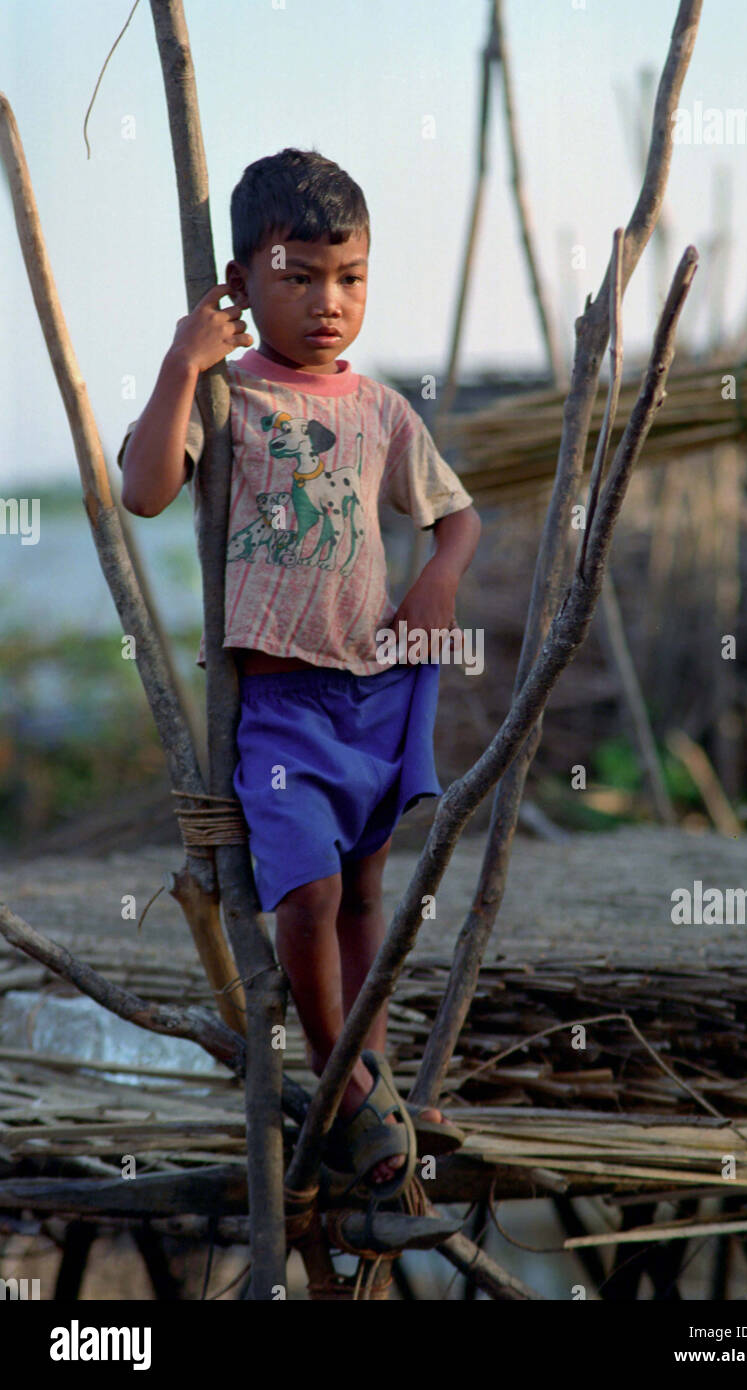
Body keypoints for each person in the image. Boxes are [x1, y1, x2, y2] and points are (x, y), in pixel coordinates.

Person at [118, 148, 481, 1202]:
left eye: (350, 277)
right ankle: (339, 1081)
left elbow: (455, 519)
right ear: (240, 282)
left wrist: (436, 583)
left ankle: (373, 1079)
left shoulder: (378, 410)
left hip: (374, 692)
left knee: (368, 891)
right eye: (299, 276)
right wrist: (185, 359)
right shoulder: (226, 400)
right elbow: (142, 492)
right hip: (276, 706)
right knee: (310, 895)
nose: (330, 303)